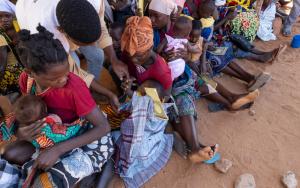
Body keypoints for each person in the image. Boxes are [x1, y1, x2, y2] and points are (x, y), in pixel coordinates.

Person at [3, 26, 114, 187]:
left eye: (66, 72)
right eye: (55, 79)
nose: (63, 80)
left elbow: (103, 127)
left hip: (86, 136)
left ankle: (101, 165)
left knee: (42, 184)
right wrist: (23, 132)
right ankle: (82, 172)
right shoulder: (26, 81)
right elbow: (28, 113)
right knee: (10, 154)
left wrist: (57, 150)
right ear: (31, 73)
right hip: (50, 136)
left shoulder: (73, 87)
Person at [16, 0, 129, 81]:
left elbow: (100, 26)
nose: (95, 44)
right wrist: (107, 94)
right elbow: (71, 70)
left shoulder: (95, 2)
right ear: (63, 31)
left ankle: (91, 87)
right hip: (47, 35)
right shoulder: (44, 31)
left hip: (69, 26)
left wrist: (114, 60)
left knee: (97, 55)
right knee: (74, 67)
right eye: (85, 43)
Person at [121, 16, 173, 96]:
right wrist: (127, 80)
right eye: (129, 55)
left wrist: (133, 94)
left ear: (151, 48)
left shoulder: (162, 72)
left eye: (139, 56)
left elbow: (165, 97)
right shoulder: (130, 49)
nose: (133, 60)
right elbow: (125, 68)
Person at [156, 16, 191, 80]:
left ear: (173, 28)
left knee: (169, 80)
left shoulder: (167, 39)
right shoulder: (185, 41)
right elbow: (191, 50)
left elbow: (158, 50)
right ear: (186, 34)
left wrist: (160, 51)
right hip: (181, 65)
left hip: (170, 64)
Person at [0, 0, 23, 96]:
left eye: (7, 16)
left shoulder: (22, 29)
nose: (4, 20)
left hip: (16, 77)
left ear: (14, 16)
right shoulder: (2, 34)